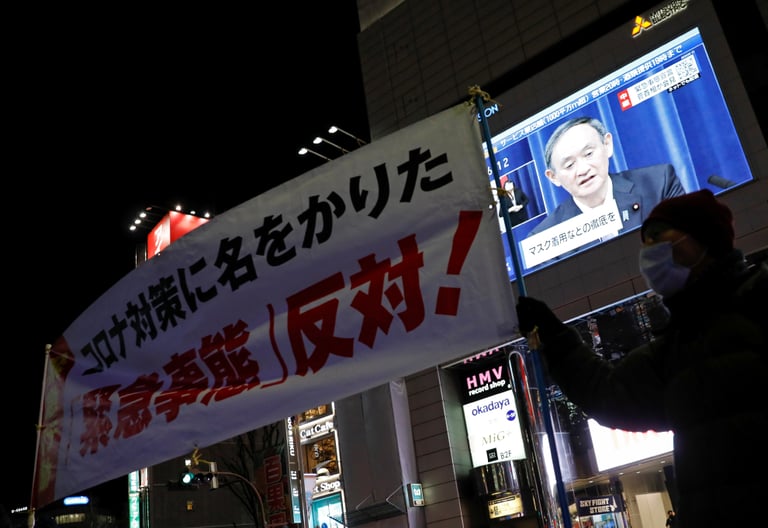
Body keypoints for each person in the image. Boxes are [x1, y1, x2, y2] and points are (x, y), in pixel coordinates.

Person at [515, 190, 767, 527]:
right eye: (645, 242)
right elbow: (609, 395)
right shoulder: (675, 349)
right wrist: (553, 336)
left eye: (659, 235)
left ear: (703, 238)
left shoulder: (759, 300)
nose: (649, 250)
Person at [528, 116, 685, 237]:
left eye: (588, 154)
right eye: (569, 165)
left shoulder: (659, 182)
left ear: (607, 145)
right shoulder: (544, 235)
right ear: (553, 177)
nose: (583, 170)